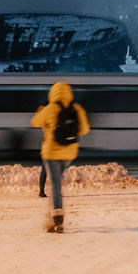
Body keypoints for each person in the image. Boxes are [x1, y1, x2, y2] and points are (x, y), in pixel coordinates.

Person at [30, 81, 90, 233]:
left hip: (51, 153)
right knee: (57, 183)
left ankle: (57, 221)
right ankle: (53, 218)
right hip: (69, 153)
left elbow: (35, 122)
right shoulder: (76, 109)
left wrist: (41, 111)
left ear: (53, 93)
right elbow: (84, 130)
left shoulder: (51, 108)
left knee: (55, 186)